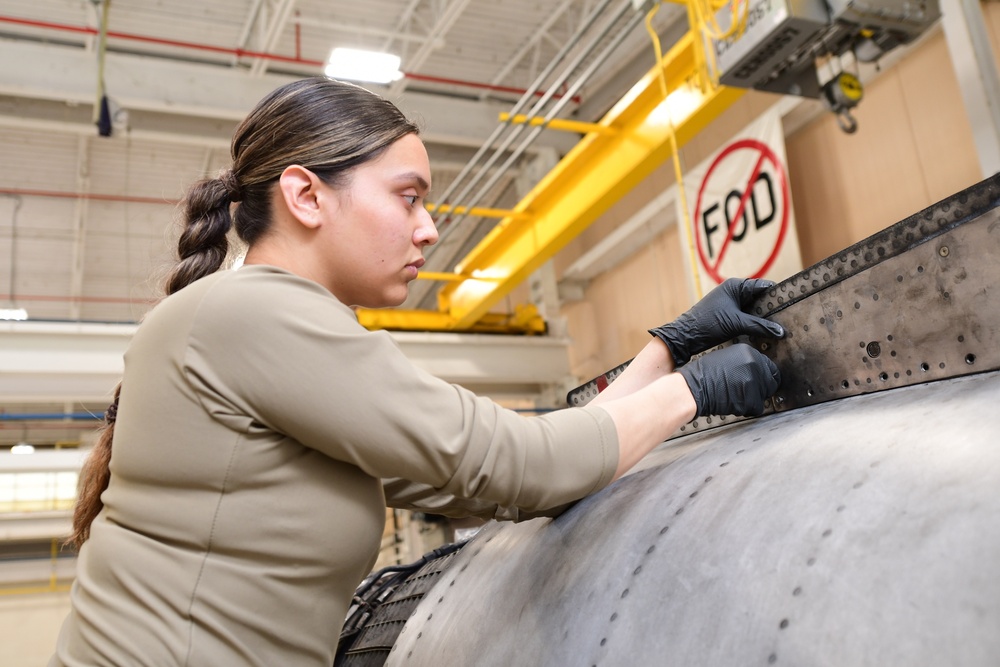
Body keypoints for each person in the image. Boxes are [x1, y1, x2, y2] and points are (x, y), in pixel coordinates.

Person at [50, 76, 782, 666]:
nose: (429, 227)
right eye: (409, 197)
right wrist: (694, 390)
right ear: (306, 196)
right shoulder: (253, 314)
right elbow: (520, 464)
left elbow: (505, 474)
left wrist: (669, 347)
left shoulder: (257, 326)